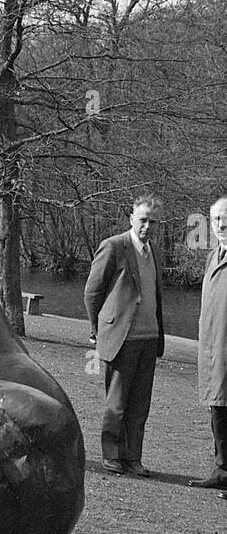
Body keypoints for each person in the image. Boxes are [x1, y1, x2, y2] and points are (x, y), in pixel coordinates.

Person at [84, 194, 165, 476]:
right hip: (122, 339)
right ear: (132, 218)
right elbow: (92, 292)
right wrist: (100, 329)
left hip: (149, 338)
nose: (147, 226)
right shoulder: (114, 246)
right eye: (143, 220)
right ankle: (112, 455)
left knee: (140, 405)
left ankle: (133, 458)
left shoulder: (154, 250)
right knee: (116, 403)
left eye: (152, 221)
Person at [189, 195, 227, 490]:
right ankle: (221, 469)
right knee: (217, 408)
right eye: (215, 219)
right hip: (213, 347)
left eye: (226, 218)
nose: (221, 224)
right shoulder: (213, 255)